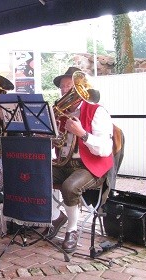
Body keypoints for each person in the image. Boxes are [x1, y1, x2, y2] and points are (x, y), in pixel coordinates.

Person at [45, 66, 114, 253]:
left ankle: (72, 230)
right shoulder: (58, 112)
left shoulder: (97, 111)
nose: (64, 90)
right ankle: (55, 216)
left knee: (70, 186)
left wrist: (83, 134)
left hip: (91, 166)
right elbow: (55, 142)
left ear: (79, 88)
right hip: (65, 163)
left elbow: (105, 149)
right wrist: (48, 137)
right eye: (62, 87)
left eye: (69, 86)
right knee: (38, 175)